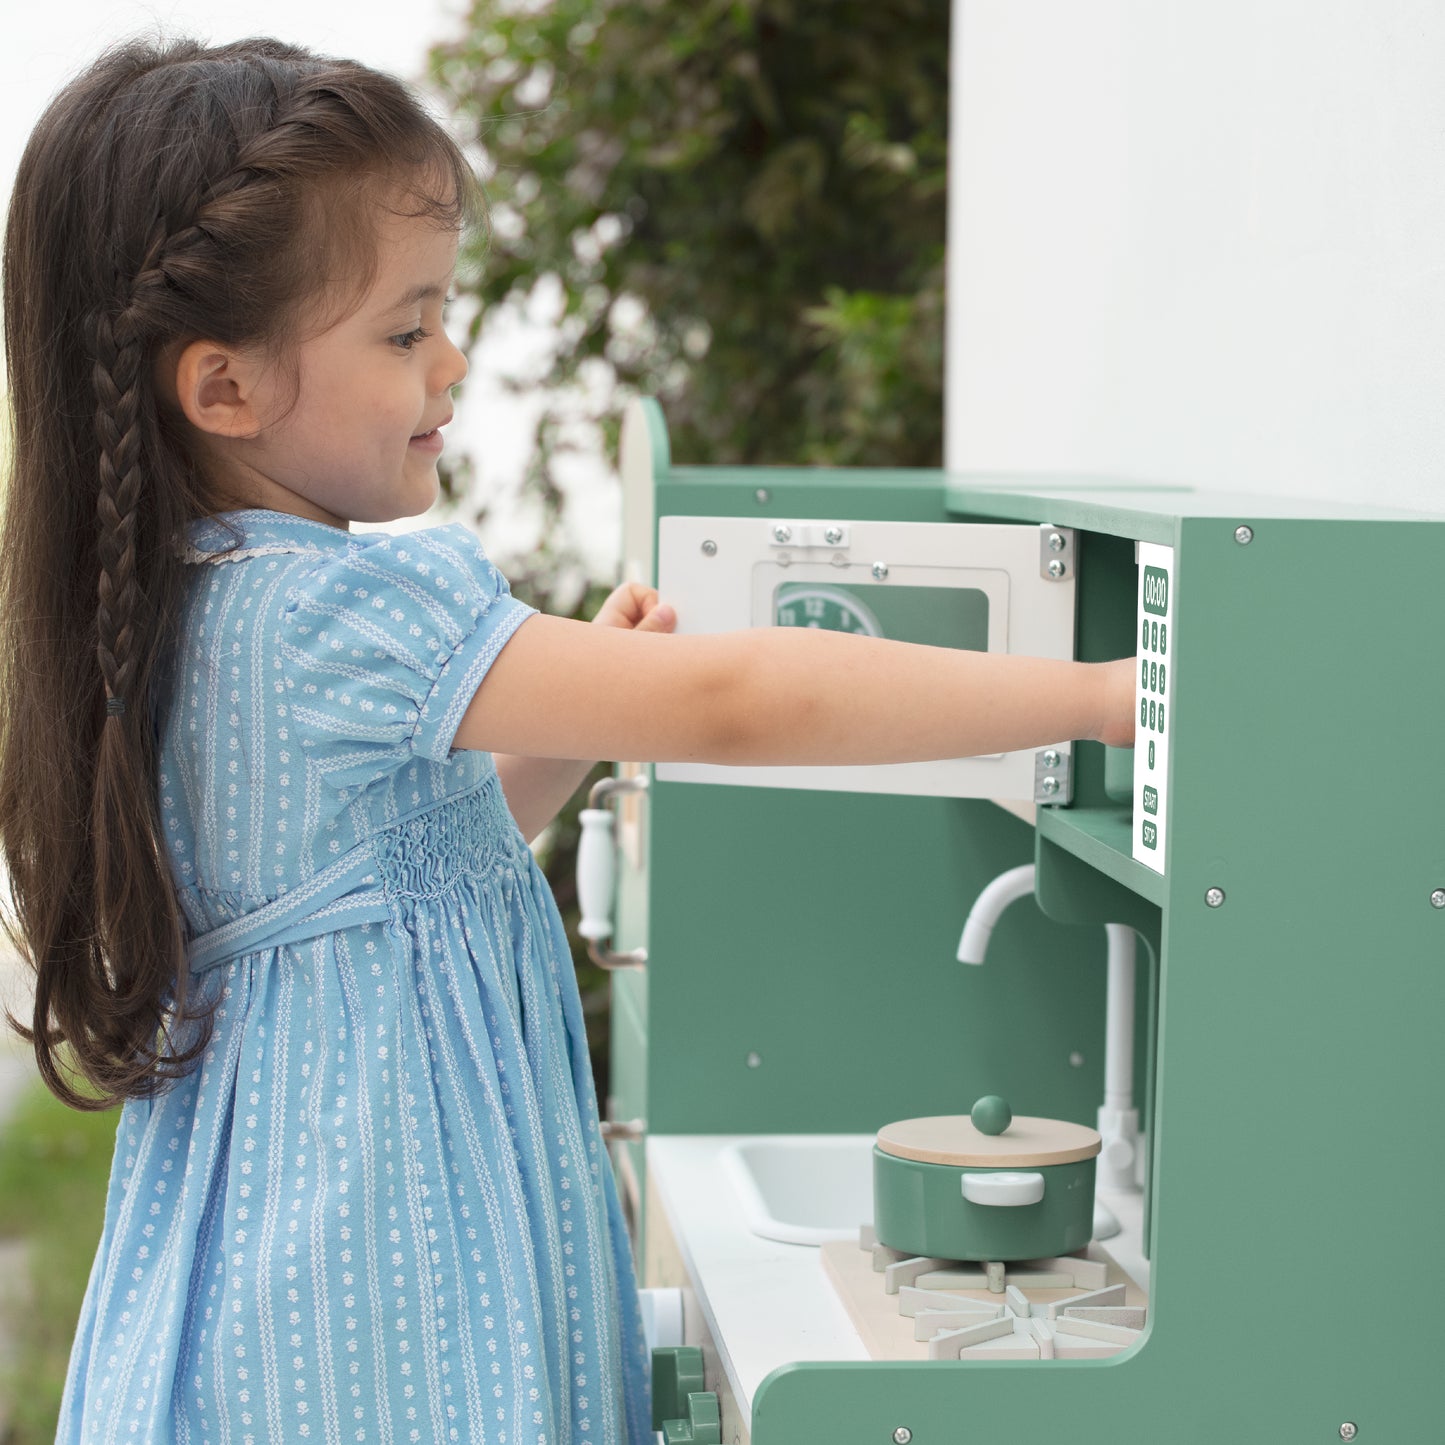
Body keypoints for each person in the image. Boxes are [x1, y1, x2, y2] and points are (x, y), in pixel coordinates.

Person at [0, 35, 1136, 1445]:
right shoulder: (335, 610)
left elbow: (400, 870)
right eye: (404, 331)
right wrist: (1094, 698)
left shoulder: (192, 598)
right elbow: (740, 700)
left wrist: (573, 722)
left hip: (284, 1275)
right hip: (385, 1280)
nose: (452, 362)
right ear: (223, 389)